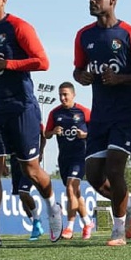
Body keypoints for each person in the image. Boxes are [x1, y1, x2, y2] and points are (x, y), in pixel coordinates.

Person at [0, 0, 62, 248]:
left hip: (22, 108)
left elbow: (42, 61)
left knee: (31, 170)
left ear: (3, 0)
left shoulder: (19, 26)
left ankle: (53, 207)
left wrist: (7, 64)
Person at [73, 0, 131, 246]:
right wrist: (82, 76)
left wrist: (120, 79)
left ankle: (118, 230)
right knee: (94, 175)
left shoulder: (130, 33)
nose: (91, 1)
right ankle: (127, 202)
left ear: (113, 0)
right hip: (99, 115)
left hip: (124, 113)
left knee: (114, 168)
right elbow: (77, 70)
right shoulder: (84, 35)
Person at [44, 82, 94, 240]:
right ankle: (87, 222)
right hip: (63, 158)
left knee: (71, 189)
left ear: (73, 95)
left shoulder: (83, 111)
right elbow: (45, 134)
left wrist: (85, 135)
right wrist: (53, 131)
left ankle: (70, 227)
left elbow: (98, 131)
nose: (62, 97)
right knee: (75, 194)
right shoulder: (54, 113)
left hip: (80, 156)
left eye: (65, 94)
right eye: (60, 95)